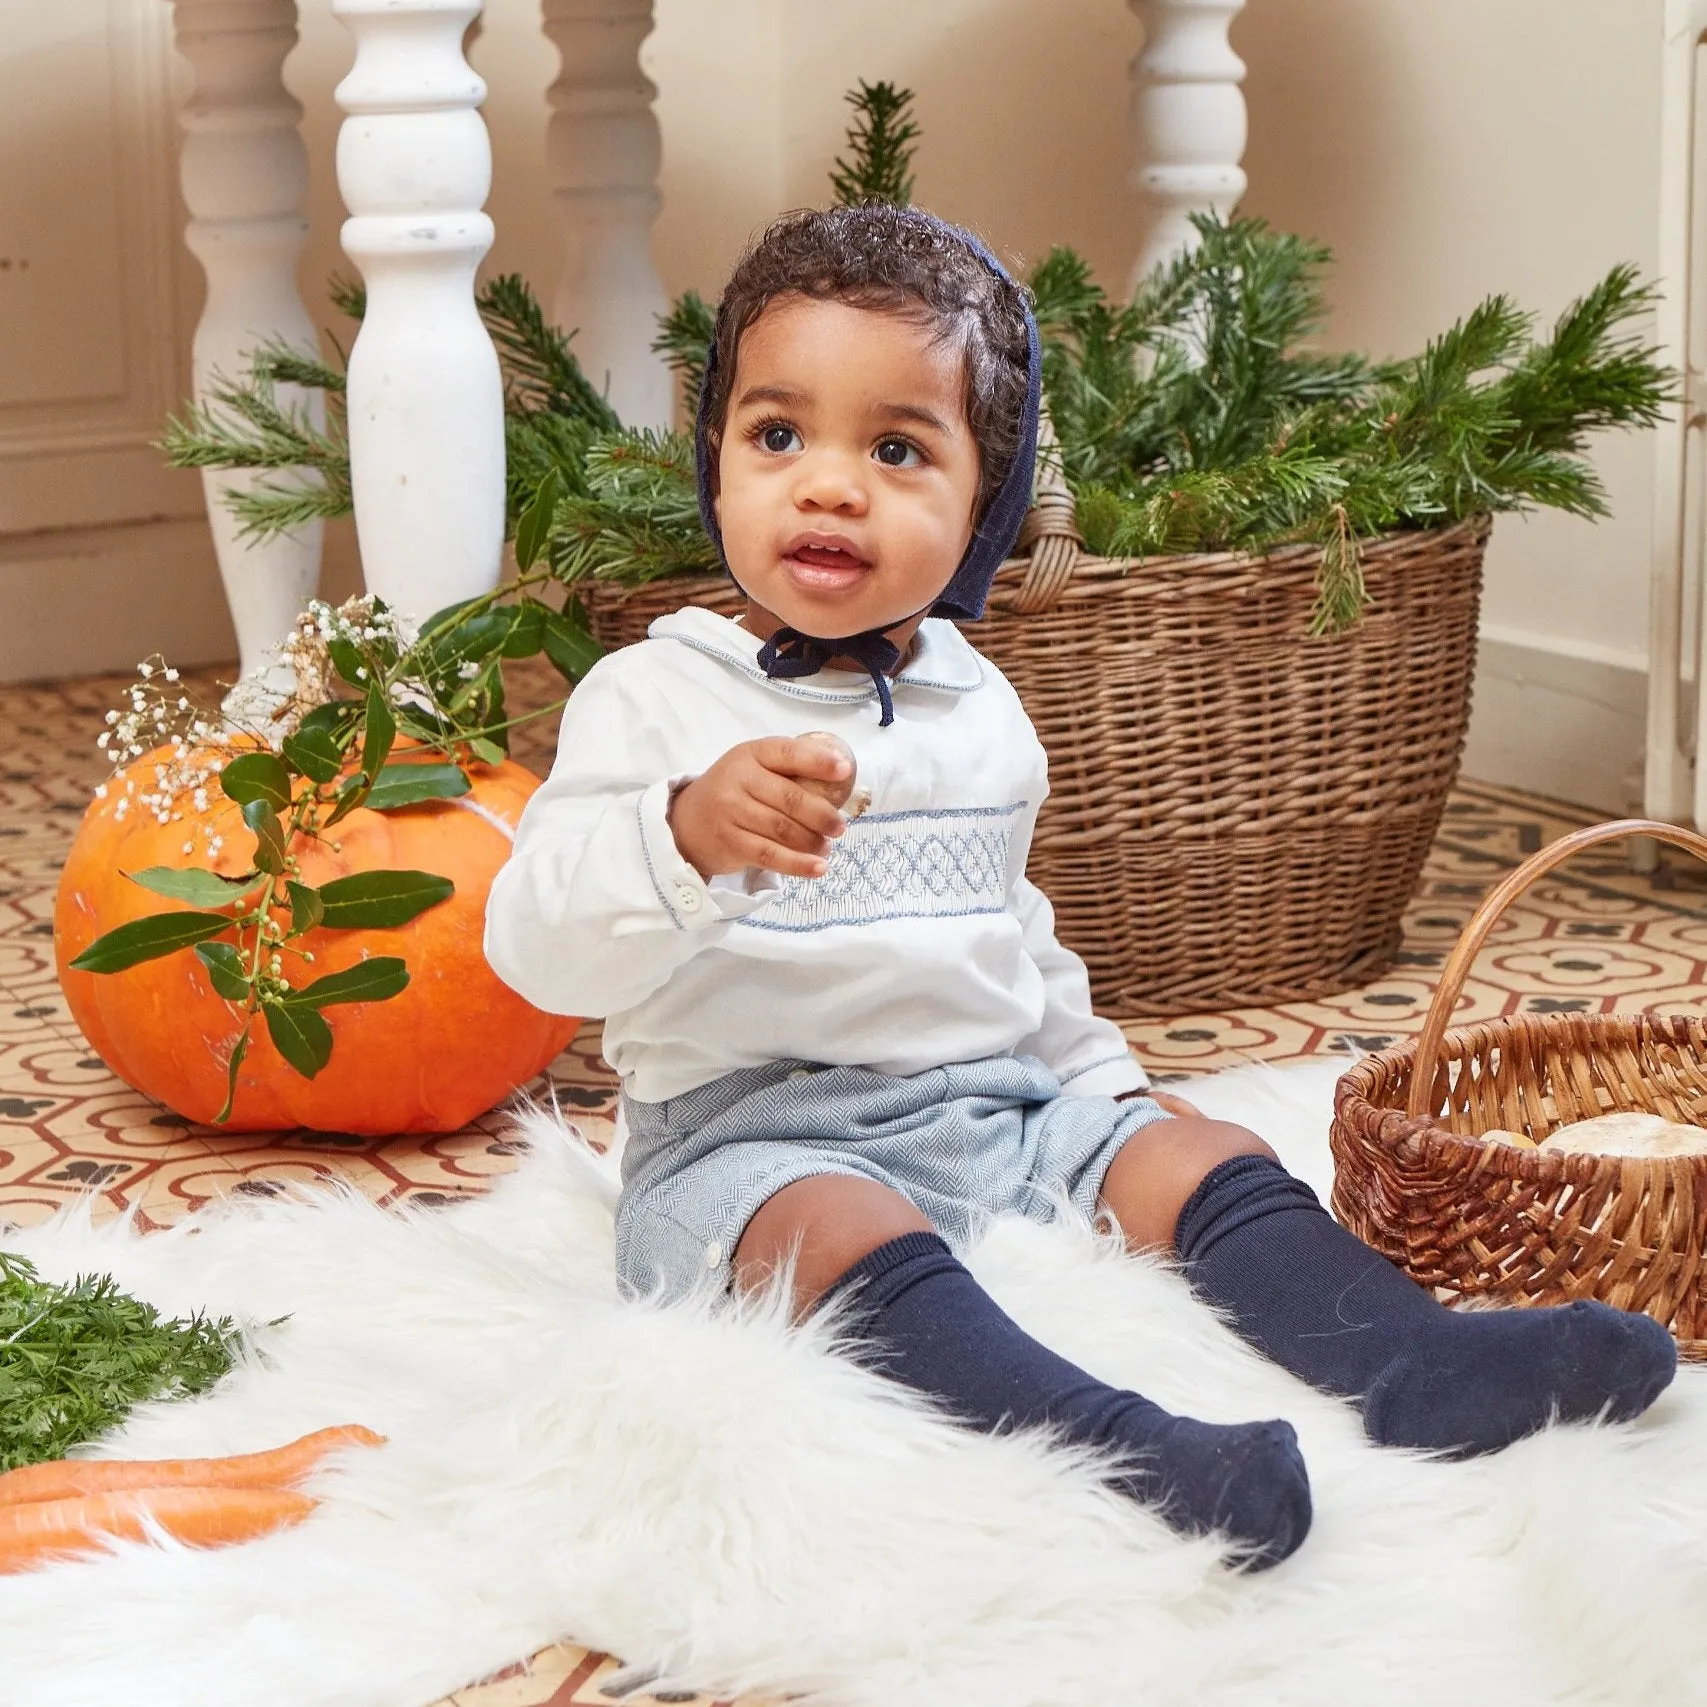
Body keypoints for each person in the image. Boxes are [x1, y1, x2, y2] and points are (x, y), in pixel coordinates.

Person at [484, 203, 1677, 1570]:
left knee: (1192, 1142)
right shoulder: (651, 695)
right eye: (776, 435)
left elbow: (1014, 938)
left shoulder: (979, 705)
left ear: (982, 499)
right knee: (829, 1222)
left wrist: (1101, 1091)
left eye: (894, 447)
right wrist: (683, 831)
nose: (826, 484)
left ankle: (1409, 1358)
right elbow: (533, 951)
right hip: (751, 1135)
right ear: (718, 462)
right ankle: (1114, 1445)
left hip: (991, 1102)